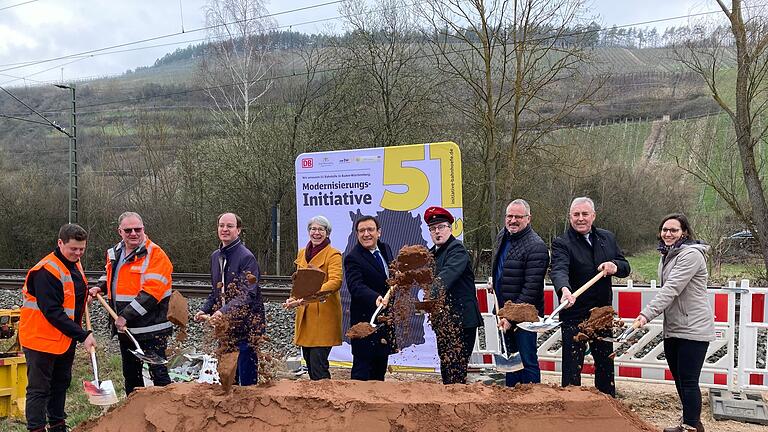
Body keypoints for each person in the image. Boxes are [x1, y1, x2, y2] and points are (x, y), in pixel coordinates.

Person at [634, 214, 713, 432]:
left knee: (688, 381)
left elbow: (671, 289)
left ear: (684, 233)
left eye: (674, 230)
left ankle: (689, 426)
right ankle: (692, 423)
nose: (668, 234)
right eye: (664, 230)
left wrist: (646, 314)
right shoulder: (667, 255)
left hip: (693, 328)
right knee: (679, 380)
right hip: (675, 327)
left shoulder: (691, 256)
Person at [19, 224, 97, 432]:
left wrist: (84, 299)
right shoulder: (46, 271)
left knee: (61, 384)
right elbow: (52, 311)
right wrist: (83, 335)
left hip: (63, 339)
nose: (78, 253)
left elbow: (71, 294)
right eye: (73, 249)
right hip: (40, 339)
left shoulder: (74, 263)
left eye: (82, 249)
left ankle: (57, 425)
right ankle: (36, 428)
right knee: (39, 389)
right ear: (60, 243)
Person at [550, 197, 630, 397]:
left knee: (604, 363)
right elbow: (559, 270)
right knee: (571, 365)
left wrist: (615, 266)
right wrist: (564, 290)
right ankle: (571, 404)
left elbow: (625, 266)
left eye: (585, 214)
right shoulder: (562, 243)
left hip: (601, 314)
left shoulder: (607, 238)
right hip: (574, 314)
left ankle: (607, 403)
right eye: (576, 215)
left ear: (593, 216)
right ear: (570, 217)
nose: (580, 218)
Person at [91, 211, 173, 395]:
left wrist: (124, 316)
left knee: (158, 374)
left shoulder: (156, 255)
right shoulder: (116, 252)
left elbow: (151, 294)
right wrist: (100, 287)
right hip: (126, 329)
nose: (134, 233)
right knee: (131, 375)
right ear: (120, 231)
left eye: (138, 229)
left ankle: (168, 412)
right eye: (128, 230)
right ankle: (133, 413)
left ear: (144, 229)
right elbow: (113, 275)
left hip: (152, 328)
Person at [193, 212, 265, 385]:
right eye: (221, 225)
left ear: (238, 230)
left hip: (247, 327)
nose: (225, 229)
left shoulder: (246, 257)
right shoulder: (215, 257)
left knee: (247, 382)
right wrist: (205, 309)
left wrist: (222, 311)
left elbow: (248, 294)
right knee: (228, 378)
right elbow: (216, 291)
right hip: (225, 328)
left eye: (230, 226)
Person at [491, 199, 550, 387]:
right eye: (509, 216)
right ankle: (511, 399)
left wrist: (510, 317)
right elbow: (503, 266)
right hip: (503, 311)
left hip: (525, 316)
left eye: (518, 216)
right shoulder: (503, 236)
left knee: (527, 360)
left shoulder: (537, 246)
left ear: (528, 219)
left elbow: (530, 289)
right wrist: (495, 280)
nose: (513, 220)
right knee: (511, 360)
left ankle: (533, 401)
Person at [424, 206, 482, 384]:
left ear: (450, 228)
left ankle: (458, 407)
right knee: (446, 366)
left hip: (462, 321)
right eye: (433, 229)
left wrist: (429, 295)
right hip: (444, 322)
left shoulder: (457, 250)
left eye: (441, 227)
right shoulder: (431, 254)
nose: (437, 232)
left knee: (456, 369)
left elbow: (447, 275)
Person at [284, 215, 343, 380]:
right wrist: (293, 297)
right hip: (305, 315)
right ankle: (316, 400)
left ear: (327, 233)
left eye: (320, 229)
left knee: (318, 365)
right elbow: (299, 281)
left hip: (323, 315)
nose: (316, 233)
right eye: (313, 229)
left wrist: (311, 294)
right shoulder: (302, 253)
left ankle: (325, 400)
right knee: (309, 361)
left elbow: (335, 281)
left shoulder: (333, 254)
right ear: (309, 231)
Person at [344, 215, 396, 381]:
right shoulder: (353, 258)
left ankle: (377, 406)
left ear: (378, 232)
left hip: (384, 322)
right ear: (357, 234)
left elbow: (391, 275)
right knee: (362, 372)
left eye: (370, 230)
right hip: (365, 323)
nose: (366, 234)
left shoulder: (386, 249)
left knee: (379, 371)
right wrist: (376, 298)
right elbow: (356, 287)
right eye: (361, 231)